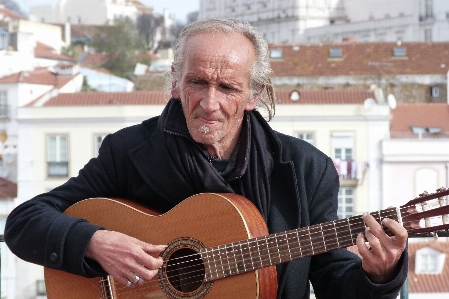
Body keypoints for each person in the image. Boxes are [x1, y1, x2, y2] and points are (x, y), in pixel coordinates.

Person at [5, 19, 408, 299]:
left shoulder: (306, 170)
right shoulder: (129, 152)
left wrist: (380, 276)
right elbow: (24, 221)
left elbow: (333, 282)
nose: (209, 103)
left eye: (227, 87)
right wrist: (95, 242)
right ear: (175, 82)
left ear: (253, 95)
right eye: (197, 82)